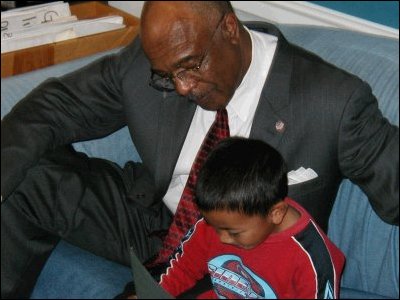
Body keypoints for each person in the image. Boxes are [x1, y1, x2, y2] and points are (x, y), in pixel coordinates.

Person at [1, 1, 398, 298]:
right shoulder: (153, 62)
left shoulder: (332, 101)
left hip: (241, 255)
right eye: (167, 75)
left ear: (229, 28)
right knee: (24, 175)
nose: (182, 87)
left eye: (191, 66)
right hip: (152, 218)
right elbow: (56, 106)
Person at [158, 137, 345, 299]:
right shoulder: (220, 221)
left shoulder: (313, 260)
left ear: (275, 213)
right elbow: (182, 269)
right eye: (215, 227)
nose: (221, 237)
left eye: (234, 233)